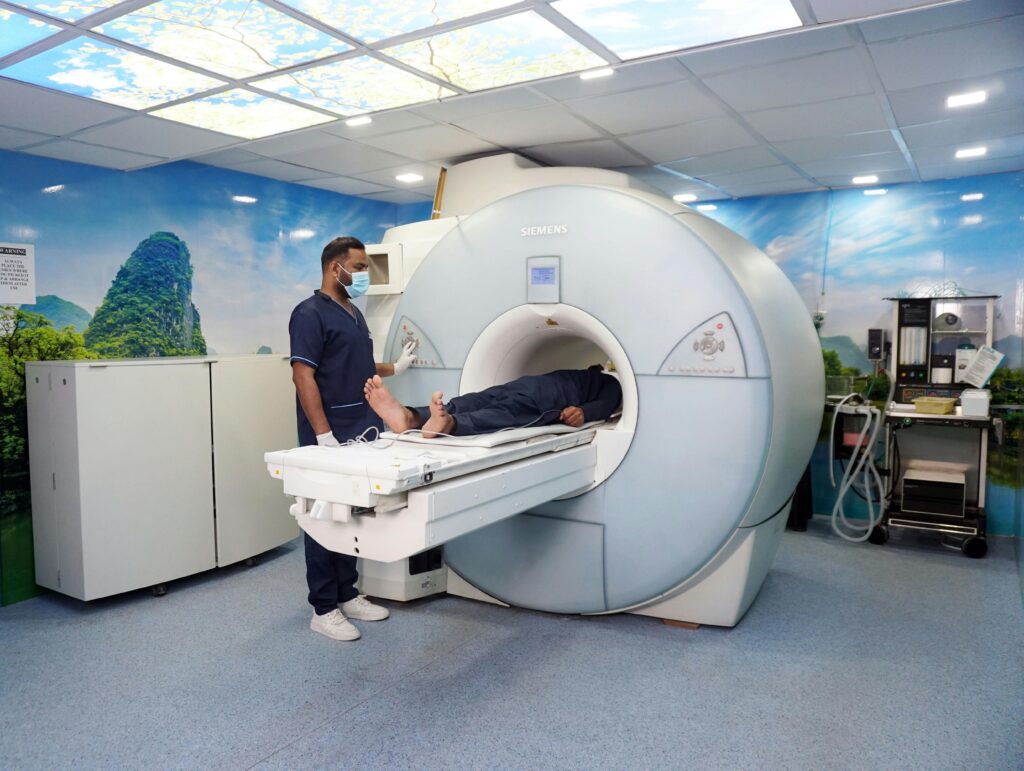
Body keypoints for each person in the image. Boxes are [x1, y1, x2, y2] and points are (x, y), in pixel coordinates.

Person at [289, 236, 416, 642]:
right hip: (329, 430)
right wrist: (323, 435)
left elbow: (359, 364)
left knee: (351, 513)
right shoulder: (309, 314)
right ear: (335, 268)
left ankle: (347, 593)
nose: (364, 275)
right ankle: (323, 607)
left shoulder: (354, 313)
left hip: (362, 427)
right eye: (359, 267)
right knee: (322, 516)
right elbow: (303, 375)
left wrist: (397, 366)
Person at [363, 365, 622, 439]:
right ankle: (449, 424)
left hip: (524, 384)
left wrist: (583, 411)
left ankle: (412, 416)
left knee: (472, 401)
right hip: (547, 398)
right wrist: (584, 413)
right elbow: (606, 404)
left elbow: (600, 404)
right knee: (503, 414)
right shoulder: (611, 382)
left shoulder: (590, 376)